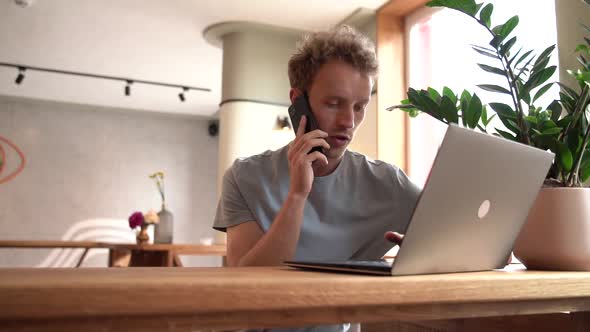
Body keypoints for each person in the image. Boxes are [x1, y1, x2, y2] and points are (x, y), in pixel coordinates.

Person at [213, 25, 421, 332]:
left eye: (360, 106)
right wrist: (298, 195)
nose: (349, 122)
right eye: (334, 103)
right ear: (298, 102)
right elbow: (249, 289)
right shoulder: (245, 178)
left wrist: (421, 252)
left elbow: (458, 235)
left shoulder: (387, 183)